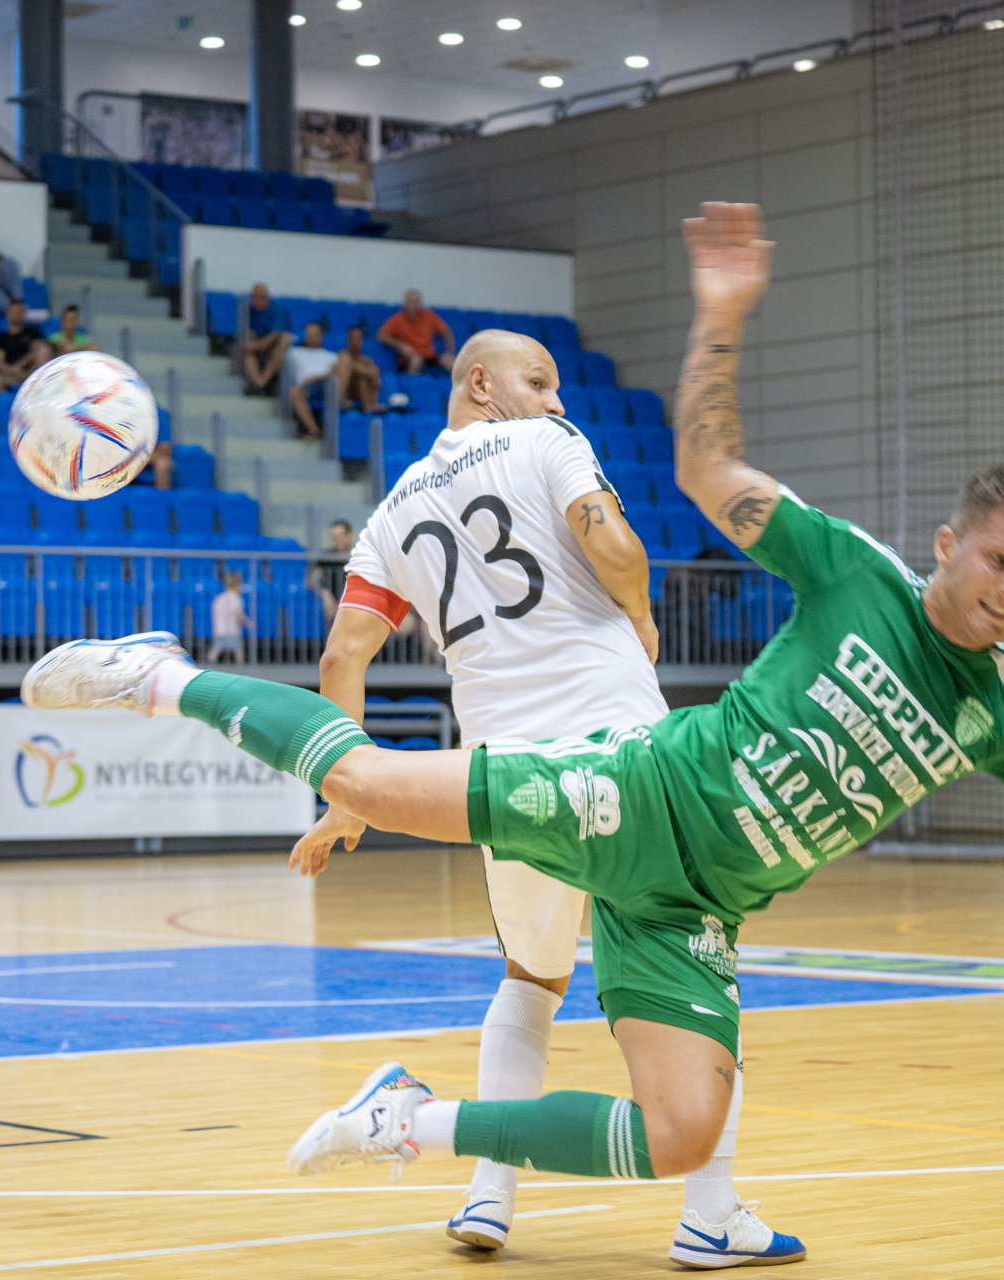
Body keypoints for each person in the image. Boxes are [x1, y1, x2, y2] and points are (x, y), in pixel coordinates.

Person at [18, 203, 1004, 1267]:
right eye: (996, 562)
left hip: (700, 899)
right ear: (950, 545)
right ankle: (157, 676)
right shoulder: (848, 567)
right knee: (365, 775)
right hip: (631, 788)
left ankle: (418, 1130)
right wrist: (718, 322)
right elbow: (701, 478)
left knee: (681, 1122)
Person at [286, 326, 709, 1255]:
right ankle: (712, 1218)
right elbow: (617, 544)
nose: (558, 401)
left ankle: (489, 1197)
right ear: (481, 384)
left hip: (507, 779)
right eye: (539, 380)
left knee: (530, 980)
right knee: (694, 963)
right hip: (622, 750)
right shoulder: (546, 444)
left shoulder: (391, 511)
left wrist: (347, 797)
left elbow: (340, 656)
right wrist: (638, 615)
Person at [377, 289, 455, 374]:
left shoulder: (429, 315)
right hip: (411, 357)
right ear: (405, 304)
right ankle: (411, 385)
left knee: (452, 362)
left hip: (430, 356)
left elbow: (447, 332)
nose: (414, 305)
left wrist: (450, 352)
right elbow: (381, 335)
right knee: (416, 361)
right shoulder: (398, 319)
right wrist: (400, 345)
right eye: (411, 302)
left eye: (417, 302)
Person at [283, 321, 336, 441]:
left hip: (328, 385)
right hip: (306, 388)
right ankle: (314, 430)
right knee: (294, 392)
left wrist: (316, 378)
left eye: (315, 333)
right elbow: (279, 361)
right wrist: (284, 342)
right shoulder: (294, 352)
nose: (311, 336)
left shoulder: (332, 356)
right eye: (309, 334)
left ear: (321, 335)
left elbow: (336, 373)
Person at [241, 282, 293, 395]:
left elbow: (274, 336)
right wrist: (253, 344)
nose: (255, 300)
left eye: (259, 297)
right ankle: (258, 384)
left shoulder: (278, 309)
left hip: (274, 346)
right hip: (260, 345)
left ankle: (262, 383)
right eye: (254, 297)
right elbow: (250, 333)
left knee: (283, 342)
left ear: (266, 297)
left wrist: (256, 345)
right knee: (247, 352)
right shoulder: (250, 311)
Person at [0, 300, 50, 392]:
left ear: (24, 313)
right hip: (10, 375)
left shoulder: (33, 332)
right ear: (8, 313)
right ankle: (6, 404)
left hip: (32, 374)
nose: (17, 314)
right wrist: (13, 371)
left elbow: (41, 349)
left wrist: (21, 366)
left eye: (20, 311)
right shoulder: (1, 338)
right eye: (14, 312)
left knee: (43, 351)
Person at [308, 518, 355, 618]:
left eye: (340, 537)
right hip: (333, 606)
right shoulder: (327, 558)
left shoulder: (359, 556)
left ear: (349, 536)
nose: (337, 542)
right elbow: (312, 580)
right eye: (334, 538)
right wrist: (325, 593)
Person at [336, 324, 382, 413]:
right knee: (363, 374)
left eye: (359, 338)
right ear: (348, 340)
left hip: (360, 394)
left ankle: (371, 405)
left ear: (362, 340)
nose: (356, 341)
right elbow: (358, 369)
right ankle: (339, 400)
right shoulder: (342, 355)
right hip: (346, 392)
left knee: (364, 377)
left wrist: (372, 373)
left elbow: (375, 375)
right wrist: (369, 372)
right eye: (353, 338)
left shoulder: (366, 360)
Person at [208, 571, 251, 664]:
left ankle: (209, 666)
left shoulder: (219, 598)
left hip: (220, 630)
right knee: (238, 650)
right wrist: (248, 623)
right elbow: (239, 614)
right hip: (232, 630)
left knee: (216, 649)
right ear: (237, 585)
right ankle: (241, 667)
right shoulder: (236, 598)